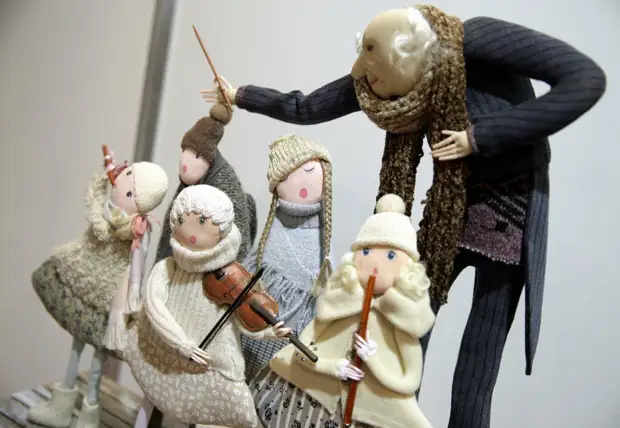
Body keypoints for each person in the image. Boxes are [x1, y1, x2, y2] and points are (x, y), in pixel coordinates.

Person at [202, 5, 607, 427]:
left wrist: (481, 136)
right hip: (448, 217)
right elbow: (308, 106)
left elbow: (585, 80)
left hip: (510, 208)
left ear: (405, 56)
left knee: (478, 359)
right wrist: (240, 95)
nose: (372, 89)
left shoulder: (475, 40)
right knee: (399, 332)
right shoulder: (387, 80)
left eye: (376, 77)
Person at [252, 194, 436, 428]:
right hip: (309, 400)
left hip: (370, 414)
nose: (375, 264)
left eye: (391, 255)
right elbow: (301, 349)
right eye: (366, 252)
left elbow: (409, 381)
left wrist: (373, 361)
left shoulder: (401, 319)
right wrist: (332, 367)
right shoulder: (339, 303)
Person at [30, 159, 168, 428]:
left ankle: (89, 410)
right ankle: (61, 404)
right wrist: (102, 180)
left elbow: (137, 266)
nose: (120, 189)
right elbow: (97, 221)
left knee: (97, 357)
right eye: (126, 176)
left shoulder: (137, 230)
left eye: (131, 193)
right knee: (76, 344)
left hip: (108, 299)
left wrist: (133, 297)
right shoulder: (106, 213)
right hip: (83, 280)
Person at [241, 133, 334, 381]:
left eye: (310, 171)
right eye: (289, 176)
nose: (301, 182)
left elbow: (324, 281)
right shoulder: (273, 231)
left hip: (298, 335)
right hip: (260, 322)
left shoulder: (323, 234)